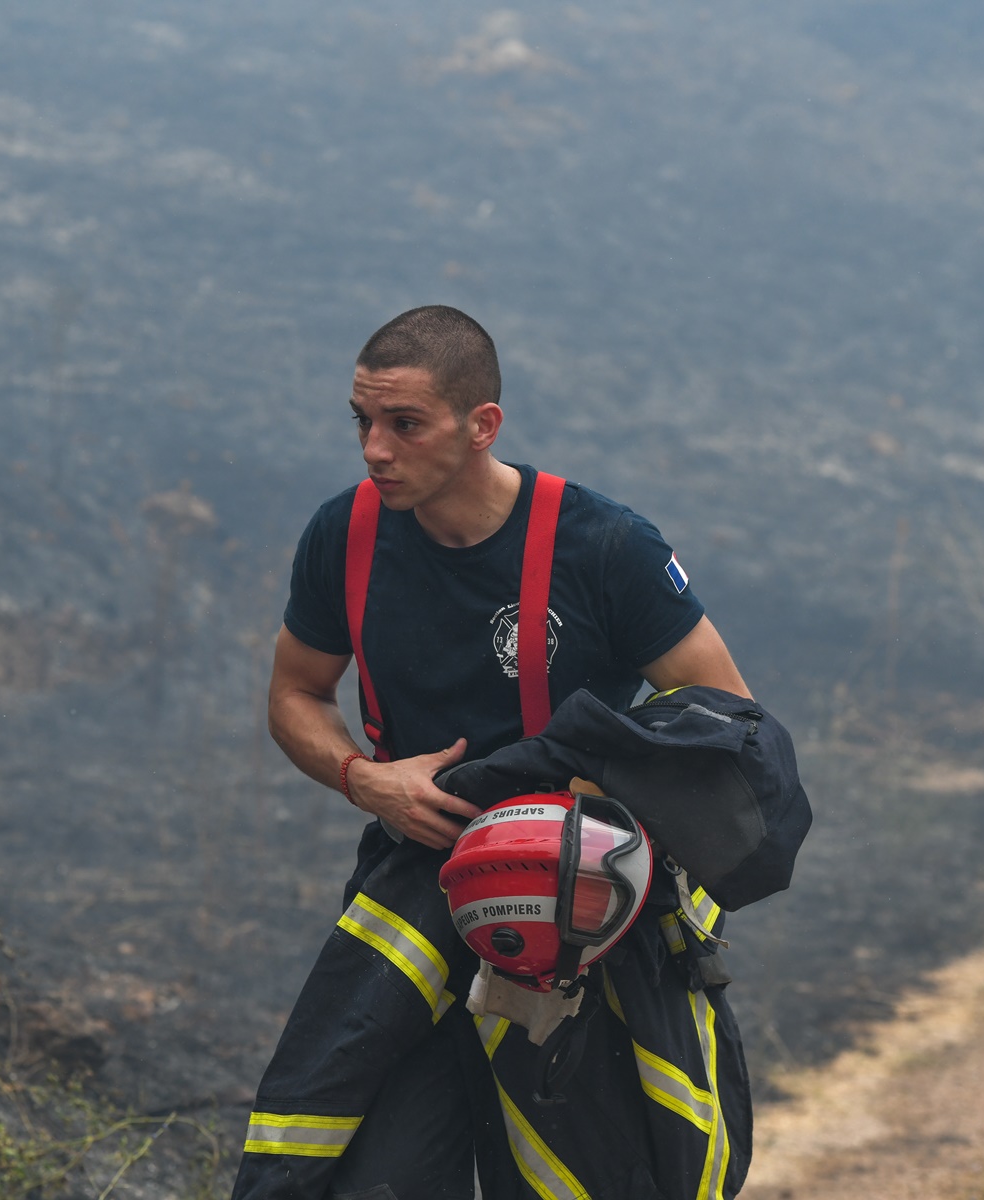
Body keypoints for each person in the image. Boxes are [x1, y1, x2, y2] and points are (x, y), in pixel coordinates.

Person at [235, 306, 756, 1200]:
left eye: (404, 424)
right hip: (414, 901)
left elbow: (725, 714)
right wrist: (365, 779)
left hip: (589, 932)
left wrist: (592, 806)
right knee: (362, 1175)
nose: (374, 450)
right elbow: (294, 694)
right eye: (362, 422)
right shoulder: (344, 535)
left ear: (483, 426)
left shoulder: (605, 547)